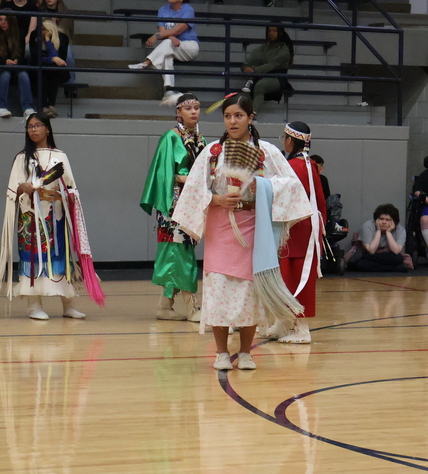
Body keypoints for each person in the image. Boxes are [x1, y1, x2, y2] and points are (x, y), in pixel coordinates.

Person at [171, 92, 312, 371]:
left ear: (250, 117)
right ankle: (221, 352)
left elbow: (292, 186)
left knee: (250, 292)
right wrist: (216, 199)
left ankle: (246, 352)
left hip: (253, 229)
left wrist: (263, 187)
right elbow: (193, 192)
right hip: (221, 229)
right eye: (227, 116)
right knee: (219, 289)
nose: (233, 121)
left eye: (239, 115)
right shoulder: (213, 152)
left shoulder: (267, 152)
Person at [0, 112, 103, 319]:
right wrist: (23, 187)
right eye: (29, 127)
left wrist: (61, 194)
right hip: (31, 218)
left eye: (37, 125)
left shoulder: (59, 156)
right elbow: (12, 188)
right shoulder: (22, 158)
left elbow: (72, 188)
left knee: (60, 257)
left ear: (47, 129)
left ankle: (68, 304)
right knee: (33, 257)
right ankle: (34, 305)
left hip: (56, 216)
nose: (33, 130)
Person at [140, 92, 205, 322]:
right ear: (178, 112)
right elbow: (163, 173)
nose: (194, 111)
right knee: (180, 253)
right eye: (188, 108)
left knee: (177, 252)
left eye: (197, 107)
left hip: (192, 203)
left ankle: (164, 306)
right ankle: (192, 306)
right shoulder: (171, 137)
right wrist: (186, 178)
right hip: (174, 205)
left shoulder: (200, 139)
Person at [261, 121, 326, 344]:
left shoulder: (296, 166)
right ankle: (282, 320)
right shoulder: (305, 163)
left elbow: (287, 196)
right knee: (285, 275)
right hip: (300, 227)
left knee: (299, 276)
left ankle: (302, 329)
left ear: (290, 140)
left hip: (298, 228)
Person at [127, 0, 198, 97]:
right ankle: (169, 89)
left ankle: (146, 63)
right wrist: (169, 37)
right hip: (172, 45)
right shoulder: (162, 10)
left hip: (189, 46)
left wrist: (156, 36)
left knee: (167, 44)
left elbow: (177, 30)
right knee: (167, 55)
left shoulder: (188, 9)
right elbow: (163, 32)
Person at [0, 13, 34, 118]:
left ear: (11, 21)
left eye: (6, 19)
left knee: (23, 74)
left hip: (14, 67)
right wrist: (5, 62)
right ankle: (0, 107)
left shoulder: (19, 35)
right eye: (0, 19)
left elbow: (22, 58)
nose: (3, 22)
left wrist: (16, 61)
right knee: (5, 73)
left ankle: (27, 108)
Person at [240, 25, 293, 113]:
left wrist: (253, 70)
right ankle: (245, 113)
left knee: (260, 85)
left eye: (274, 31)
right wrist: (246, 68)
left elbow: (272, 65)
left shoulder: (284, 50)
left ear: (280, 32)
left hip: (277, 77)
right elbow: (251, 60)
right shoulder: (262, 48)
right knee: (245, 91)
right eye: (269, 31)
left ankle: (254, 113)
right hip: (260, 75)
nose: (271, 33)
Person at [349, 204, 410, 272]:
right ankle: (395, 268)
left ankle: (390, 267)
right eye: (381, 219)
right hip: (371, 255)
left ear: (394, 222)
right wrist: (378, 231)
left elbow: (396, 251)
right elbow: (371, 251)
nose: (384, 222)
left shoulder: (400, 230)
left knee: (398, 258)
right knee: (361, 264)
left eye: (387, 220)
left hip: (386, 256)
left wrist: (388, 232)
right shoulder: (367, 226)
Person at [36, 18, 69, 117]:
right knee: (44, 71)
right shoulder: (36, 38)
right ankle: (44, 106)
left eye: (44, 30)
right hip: (40, 70)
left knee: (53, 70)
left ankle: (50, 105)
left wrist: (48, 40)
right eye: (41, 29)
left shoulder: (62, 38)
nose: (41, 32)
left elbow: (59, 60)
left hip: (56, 71)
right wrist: (52, 59)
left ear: (51, 31)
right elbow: (36, 60)